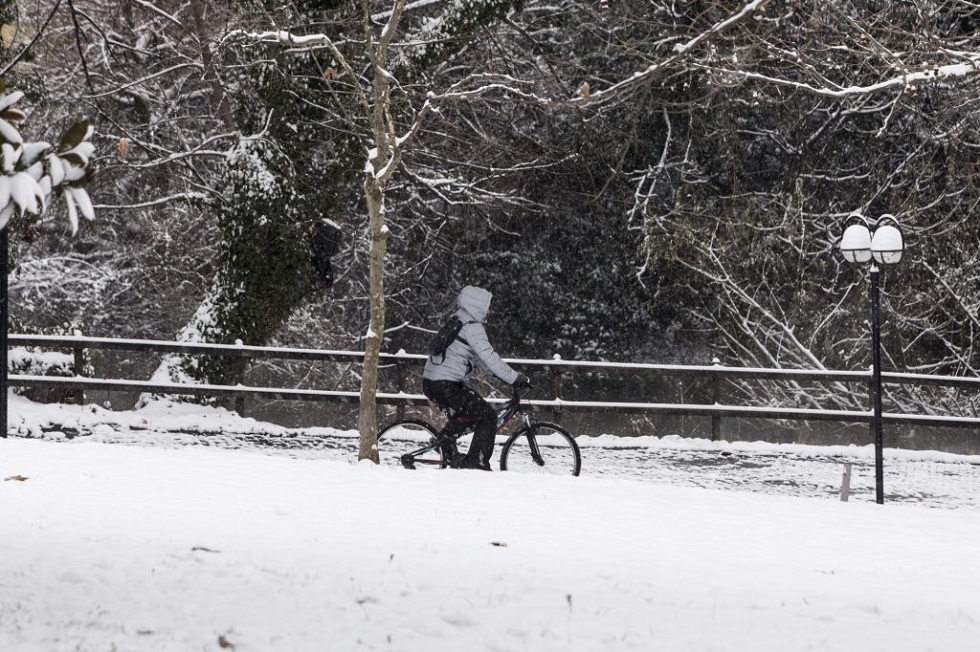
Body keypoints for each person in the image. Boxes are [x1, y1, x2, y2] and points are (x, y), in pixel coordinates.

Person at [422, 285, 530, 470]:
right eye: (487, 306)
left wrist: (499, 375)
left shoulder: (458, 319)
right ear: (478, 305)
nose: (489, 310)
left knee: (471, 411)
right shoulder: (472, 327)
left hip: (434, 382)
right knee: (487, 416)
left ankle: (444, 442)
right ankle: (476, 462)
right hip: (446, 384)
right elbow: (490, 356)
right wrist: (514, 378)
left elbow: (482, 361)